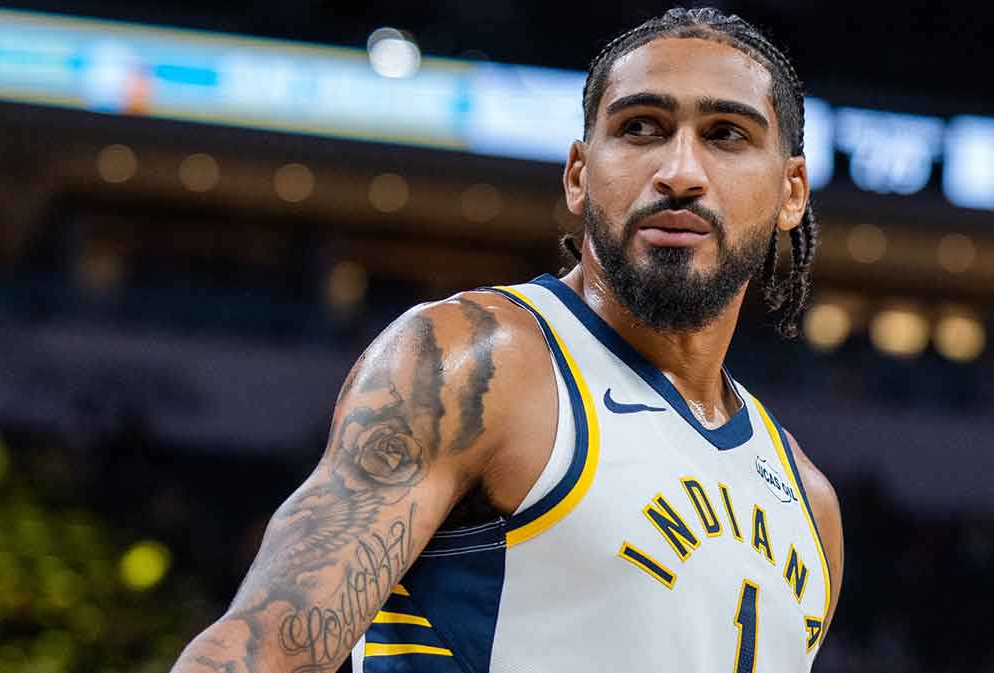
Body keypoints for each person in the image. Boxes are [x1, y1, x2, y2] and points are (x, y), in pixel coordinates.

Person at [172, 7, 843, 673]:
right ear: (579, 173)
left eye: (726, 134)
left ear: (791, 192)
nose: (680, 170)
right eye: (641, 128)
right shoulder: (475, 362)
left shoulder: (808, 502)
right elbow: (262, 648)